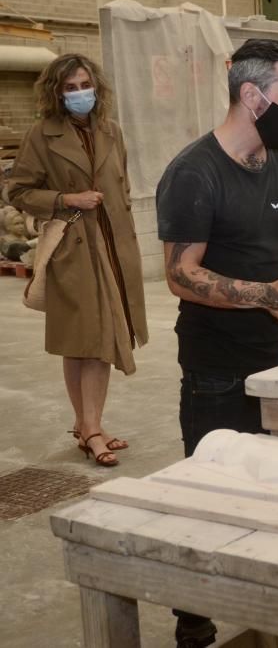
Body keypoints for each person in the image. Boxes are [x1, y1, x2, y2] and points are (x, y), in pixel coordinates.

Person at [155, 38, 278, 648]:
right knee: (213, 500)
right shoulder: (194, 172)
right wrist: (266, 295)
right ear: (251, 96)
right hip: (218, 366)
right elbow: (181, 273)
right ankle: (195, 623)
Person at [8, 53, 148, 467]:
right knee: (88, 342)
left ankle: (90, 425)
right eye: (70, 88)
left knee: (95, 343)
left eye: (84, 85)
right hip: (75, 246)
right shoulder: (41, 134)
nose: (79, 93)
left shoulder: (111, 131)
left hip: (114, 246)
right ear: (56, 92)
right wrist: (66, 199)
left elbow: (120, 186)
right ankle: (90, 429)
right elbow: (17, 192)